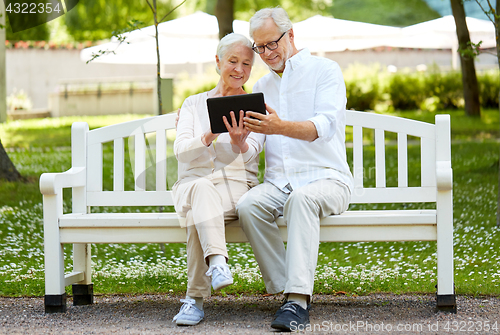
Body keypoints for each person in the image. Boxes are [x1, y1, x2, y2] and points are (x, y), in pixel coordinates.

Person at [236, 7, 354, 331]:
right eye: (259, 48)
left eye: (272, 44)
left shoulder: (324, 71)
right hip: (279, 183)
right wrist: (240, 141)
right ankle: (286, 288)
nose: (267, 53)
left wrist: (280, 126)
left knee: (301, 199)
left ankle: (298, 300)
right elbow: (256, 146)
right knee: (247, 206)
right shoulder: (260, 85)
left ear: (290, 35)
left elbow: (324, 126)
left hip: (327, 178)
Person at [172, 33, 265, 326]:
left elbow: (253, 155)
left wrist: (240, 143)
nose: (239, 69)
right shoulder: (193, 104)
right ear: (218, 62)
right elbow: (181, 153)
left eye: (247, 64)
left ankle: (194, 300)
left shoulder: (254, 106)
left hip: (234, 189)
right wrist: (209, 134)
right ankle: (219, 263)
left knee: (200, 209)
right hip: (190, 186)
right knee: (200, 190)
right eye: (233, 61)